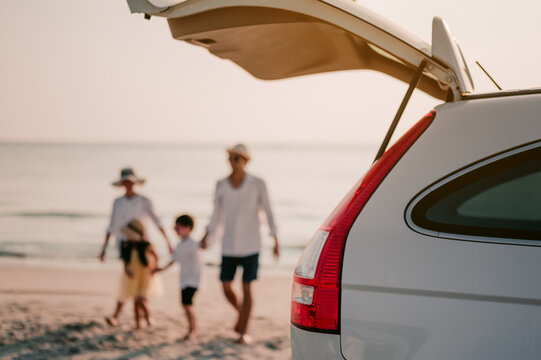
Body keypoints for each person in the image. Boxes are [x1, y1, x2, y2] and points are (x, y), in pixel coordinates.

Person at [201, 143, 279, 344]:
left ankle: (244, 330)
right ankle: (242, 315)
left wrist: (275, 237)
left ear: (245, 161)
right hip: (229, 244)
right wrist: (207, 235)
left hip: (252, 243)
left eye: (237, 158)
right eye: (230, 158)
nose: (233, 162)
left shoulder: (257, 183)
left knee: (246, 287)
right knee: (226, 287)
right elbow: (215, 214)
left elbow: (268, 210)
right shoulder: (220, 184)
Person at [99, 167, 172, 327]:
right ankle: (125, 317)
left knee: (141, 284)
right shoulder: (118, 202)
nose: (128, 185)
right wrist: (103, 249)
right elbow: (111, 226)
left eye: (130, 182)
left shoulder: (144, 201)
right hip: (125, 247)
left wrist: (168, 243)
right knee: (128, 281)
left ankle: (144, 318)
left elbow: (157, 221)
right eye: (125, 182)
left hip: (142, 248)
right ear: (122, 184)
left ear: (134, 183)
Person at [154, 214, 202, 340]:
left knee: (187, 303)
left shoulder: (193, 244)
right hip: (184, 279)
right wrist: (160, 269)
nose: (176, 230)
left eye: (178, 227)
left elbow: (203, 246)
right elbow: (173, 260)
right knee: (186, 304)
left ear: (188, 228)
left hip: (193, 279)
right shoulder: (180, 245)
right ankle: (192, 328)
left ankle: (193, 329)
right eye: (175, 228)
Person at [113, 219, 162, 330]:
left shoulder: (146, 246)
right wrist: (126, 270)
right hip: (133, 276)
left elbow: (156, 257)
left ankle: (149, 318)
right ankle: (138, 324)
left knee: (141, 300)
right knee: (135, 301)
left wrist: (154, 268)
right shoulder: (127, 246)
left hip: (145, 276)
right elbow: (126, 261)